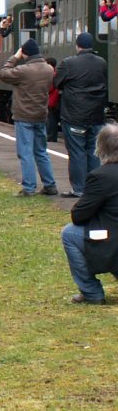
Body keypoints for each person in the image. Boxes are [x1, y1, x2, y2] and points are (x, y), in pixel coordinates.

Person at [60, 124, 118, 304]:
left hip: (112, 240)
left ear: (100, 147)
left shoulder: (101, 176)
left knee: (69, 233)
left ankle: (92, 292)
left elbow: (79, 216)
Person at [0, 38, 58, 197]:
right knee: (41, 151)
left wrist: (15, 57)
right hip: (41, 114)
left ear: (25, 53)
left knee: (25, 152)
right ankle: (50, 184)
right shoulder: (48, 69)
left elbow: (3, 74)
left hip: (24, 115)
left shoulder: (23, 70)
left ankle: (29, 187)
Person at [55, 31, 108, 197]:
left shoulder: (68, 63)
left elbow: (57, 83)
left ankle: (79, 188)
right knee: (94, 151)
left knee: (77, 151)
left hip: (74, 115)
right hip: (96, 114)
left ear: (77, 45)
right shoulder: (102, 62)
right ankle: (95, 188)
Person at [46, 57, 61, 142]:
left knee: (51, 119)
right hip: (55, 99)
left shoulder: (52, 74)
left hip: (52, 99)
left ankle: (51, 136)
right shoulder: (56, 73)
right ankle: (52, 136)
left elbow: (50, 88)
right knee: (53, 119)